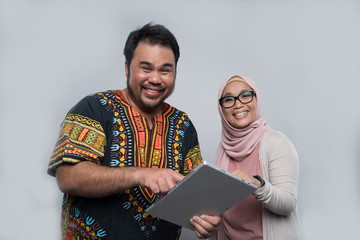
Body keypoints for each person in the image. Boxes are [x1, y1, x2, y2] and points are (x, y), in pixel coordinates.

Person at [48, 23, 220, 240]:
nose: (155, 79)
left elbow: (194, 196)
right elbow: (68, 177)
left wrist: (206, 220)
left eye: (165, 70)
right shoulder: (93, 108)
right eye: (146, 68)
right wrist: (140, 174)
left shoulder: (183, 125)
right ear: (128, 68)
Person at [215, 75, 301, 239]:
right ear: (221, 108)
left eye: (245, 95)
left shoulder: (276, 142)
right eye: (228, 99)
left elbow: (288, 203)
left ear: (257, 99)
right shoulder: (223, 148)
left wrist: (256, 184)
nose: (238, 104)